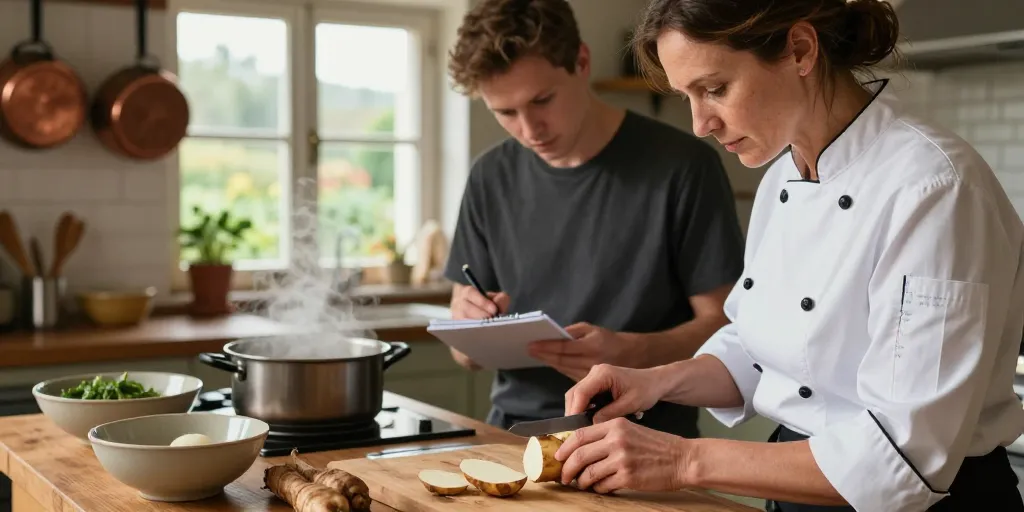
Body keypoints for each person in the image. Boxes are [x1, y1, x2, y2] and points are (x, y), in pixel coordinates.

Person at [552, 0, 1024, 511]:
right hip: (795, 490)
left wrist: (682, 460)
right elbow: (759, 347)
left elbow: (901, 458)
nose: (700, 124)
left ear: (800, 50)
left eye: (714, 89)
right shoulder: (784, 173)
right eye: (687, 96)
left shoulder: (933, 189)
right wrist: (653, 382)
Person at [441, 0, 747, 439]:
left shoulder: (683, 166)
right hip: (512, 441)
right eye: (505, 113)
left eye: (542, 100)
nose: (530, 130)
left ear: (581, 62)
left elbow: (727, 327)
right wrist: (465, 328)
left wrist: (633, 351)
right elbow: (465, 356)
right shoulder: (489, 176)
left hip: (646, 446)